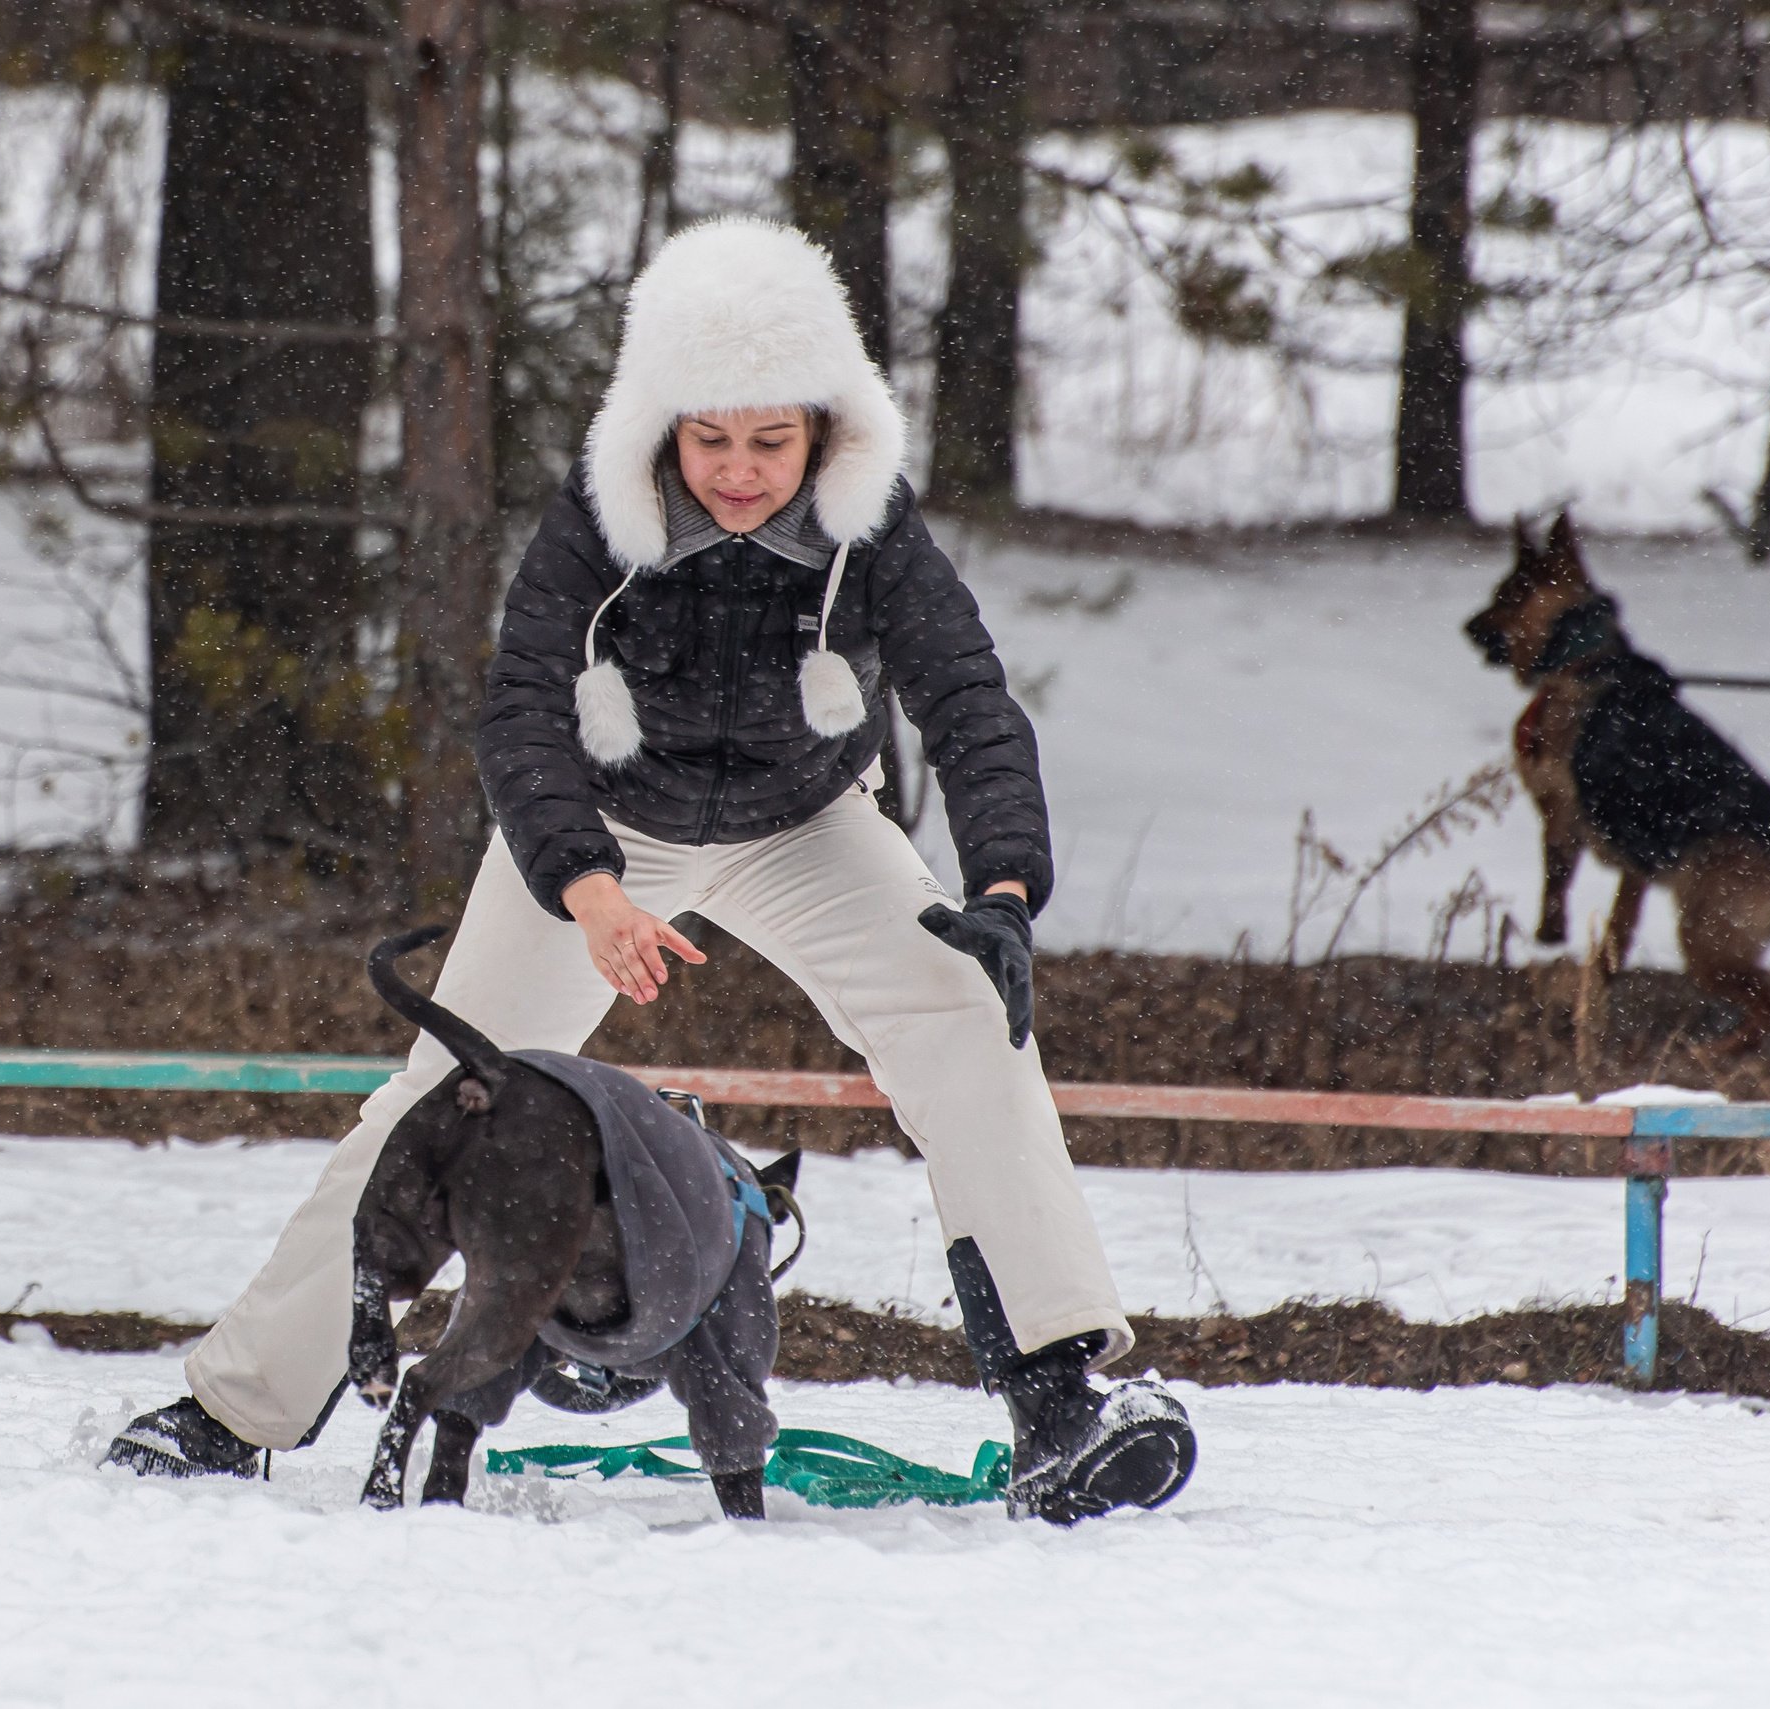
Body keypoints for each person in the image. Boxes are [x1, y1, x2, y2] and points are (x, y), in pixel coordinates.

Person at [107, 217, 1195, 1523]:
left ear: (828, 429)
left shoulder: (874, 525)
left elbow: (967, 697)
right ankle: (231, 1411)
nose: (741, 473)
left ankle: (1061, 1400)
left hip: (806, 817)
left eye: (772, 442)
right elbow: (520, 707)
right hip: (606, 826)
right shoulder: (595, 516)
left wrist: (1007, 891)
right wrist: (587, 885)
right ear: (663, 424)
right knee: (444, 1093)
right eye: (712, 439)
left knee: (969, 1010)